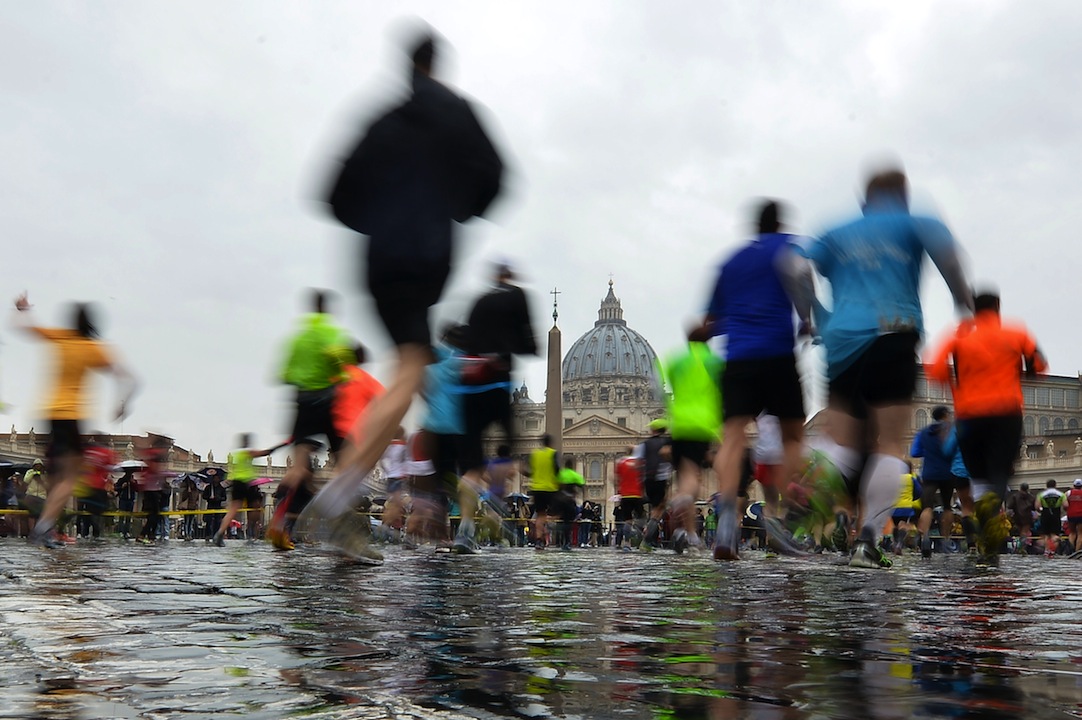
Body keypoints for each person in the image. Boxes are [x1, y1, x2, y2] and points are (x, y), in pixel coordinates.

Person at [304, 28, 504, 558]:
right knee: (411, 368)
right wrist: (455, 206)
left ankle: (344, 491)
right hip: (420, 254)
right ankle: (343, 488)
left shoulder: (382, 117)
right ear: (437, 66)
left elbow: (331, 193)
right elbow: (496, 178)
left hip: (375, 256)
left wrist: (376, 215)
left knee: (404, 365)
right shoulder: (456, 111)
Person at [793, 168, 973, 569]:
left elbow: (794, 268)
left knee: (843, 444)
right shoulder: (915, 220)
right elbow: (951, 259)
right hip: (893, 330)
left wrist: (808, 315)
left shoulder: (837, 230)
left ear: (864, 199)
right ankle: (868, 540)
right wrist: (963, 302)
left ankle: (805, 505)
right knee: (890, 443)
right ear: (903, 196)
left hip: (840, 343)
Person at [707, 200, 813, 560]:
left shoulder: (730, 261)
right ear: (779, 223)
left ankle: (725, 517)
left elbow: (712, 319)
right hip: (776, 354)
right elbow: (802, 278)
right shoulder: (787, 247)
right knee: (794, 433)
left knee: (732, 436)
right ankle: (781, 513)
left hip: (737, 358)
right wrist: (806, 317)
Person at [926, 290, 1046, 561]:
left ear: (973, 309)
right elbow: (1039, 364)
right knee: (1000, 468)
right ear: (998, 307)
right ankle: (993, 507)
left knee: (977, 471)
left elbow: (935, 369)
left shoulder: (959, 335)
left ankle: (986, 519)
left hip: (970, 414)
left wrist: (956, 386)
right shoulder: (1016, 332)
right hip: (1007, 410)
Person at [12, 294, 136, 549]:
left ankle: (46, 523)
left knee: (58, 479)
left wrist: (22, 309)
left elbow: (23, 327)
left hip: (48, 415)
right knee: (70, 478)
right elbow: (128, 378)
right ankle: (43, 526)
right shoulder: (93, 348)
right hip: (71, 417)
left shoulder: (61, 337)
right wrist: (123, 403)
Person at [454, 262, 538, 550]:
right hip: (497, 382)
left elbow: (465, 336)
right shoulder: (516, 296)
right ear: (509, 276)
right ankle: (497, 503)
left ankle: (465, 527)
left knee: (472, 466)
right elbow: (528, 338)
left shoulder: (478, 302)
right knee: (511, 444)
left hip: (468, 386)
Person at [266, 290, 353, 550]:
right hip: (328, 402)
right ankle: (343, 528)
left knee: (298, 467)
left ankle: (279, 521)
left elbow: (283, 374)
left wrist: (303, 377)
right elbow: (343, 367)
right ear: (328, 309)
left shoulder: (298, 337)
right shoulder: (333, 333)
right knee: (345, 463)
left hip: (301, 402)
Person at [658, 326, 723, 554]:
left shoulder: (675, 360)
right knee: (692, 477)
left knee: (684, 475)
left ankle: (689, 534)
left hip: (679, 423)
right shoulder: (714, 360)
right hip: (702, 423)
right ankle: (683, 502)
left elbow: (661, 388)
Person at [909, 406, 958, 558]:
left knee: (927, 507)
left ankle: (924, 538)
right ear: (945, 415)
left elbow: (915, 452)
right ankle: (946, 540)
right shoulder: (952, 430)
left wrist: (929, 452)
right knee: (947, 507)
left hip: (929, 472)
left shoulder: (924, 432)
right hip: (948, 472)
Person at [212, 435, 276, 546]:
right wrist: (278, 446)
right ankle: (252, 533)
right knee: (256, 507)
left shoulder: (237, 454)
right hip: (246, 482)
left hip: (237, 482)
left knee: (232, 510)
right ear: (247, 442)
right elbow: (264, 452)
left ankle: (219, 533)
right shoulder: (247, 452)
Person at [639, 418, 673, 550]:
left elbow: (637, 461)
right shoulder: (667, 442)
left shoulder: (645, 444)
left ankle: (642, 525)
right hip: (661, 478)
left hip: (647, 478)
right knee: (658, 510)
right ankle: (646, 539)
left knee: (654, 506)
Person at [526, 434, 561, 549]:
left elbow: (530, 471)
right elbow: (557, 470)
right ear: (550, 443)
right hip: (550, 488)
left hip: (537, 489)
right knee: (558, 513)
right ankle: (549, 532)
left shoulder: (534, 454)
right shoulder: (553, 453)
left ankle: (539, 540)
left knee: (540, 516)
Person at [1036, 479, 1064, 558]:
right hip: (1056, 513)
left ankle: (1046, 551)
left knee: (1046, 535)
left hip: (1045, 513)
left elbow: (1037, 506)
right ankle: (1053, 551)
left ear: (1046, 485)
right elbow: (1066, 505)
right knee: (1054, 535)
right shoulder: (1061, 494)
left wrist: (1041, 510)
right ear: (1055, 485)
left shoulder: (1041, 494)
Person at [1005, 482, 1035, 552]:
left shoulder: (1015, 496)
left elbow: (1010, 506)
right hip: (1027, 517)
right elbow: (1034, 507)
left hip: (1017, 516)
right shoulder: (1031, 497)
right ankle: (1022, 548)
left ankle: (1019, 547)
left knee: (1020, 532)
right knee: (1024, 532)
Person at [1065, 479, 1082, 553]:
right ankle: (1077, 551)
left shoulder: (1068, 493)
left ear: (1074, 485)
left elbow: (1065, 504)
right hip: (1081, 514)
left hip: (1071, 514)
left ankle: (1070, 550)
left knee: (1072, 533)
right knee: (1080, 533)